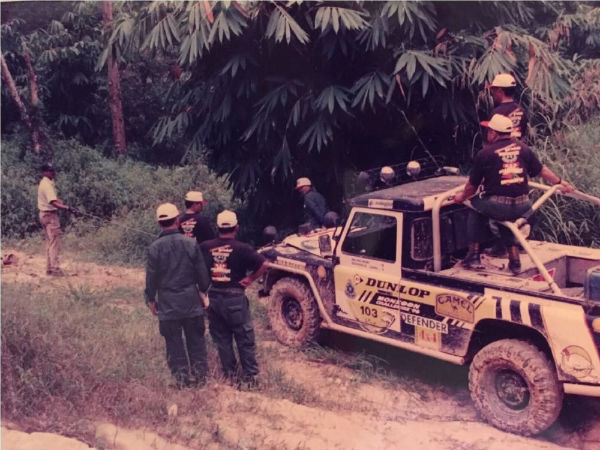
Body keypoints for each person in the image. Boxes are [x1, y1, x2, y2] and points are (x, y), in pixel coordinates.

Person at [454, 114, 574, 275]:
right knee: (506, 218)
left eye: (489, 130)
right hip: (524, 207)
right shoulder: (523, 149)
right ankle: (515, 261)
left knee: (475, 207)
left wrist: (460, 197)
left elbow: (471, 187)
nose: (487, 133)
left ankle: (474, 256)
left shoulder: (485, 154)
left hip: (499, 205)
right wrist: (560, 182)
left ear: (493, 133)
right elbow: (541, 170)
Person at [144, 202, 211, 388]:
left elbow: (151, 280)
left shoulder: (154, 248)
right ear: (177, 220)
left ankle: (181, 380)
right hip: (191, 301)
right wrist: (203, 293)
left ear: (159, 223)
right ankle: (200, 380)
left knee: (173, 343)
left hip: (167, 303)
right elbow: (203, 276)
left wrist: (151, 300)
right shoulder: (191, 243)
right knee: (196, 342)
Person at [200, 210, 269, 387]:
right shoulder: (242, 248)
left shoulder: (205, 247)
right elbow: (264, 263)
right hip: (235, 299)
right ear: (236, 228)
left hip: (214, 298)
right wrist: (251, 279)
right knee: (244, 338)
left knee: (222, 339)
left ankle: (231, 376)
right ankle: (251, 378)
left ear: (217, 227)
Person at [37, 163, 72, 276]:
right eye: (51, 171)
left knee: (49, 243)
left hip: (44, 215)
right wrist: (66, 208)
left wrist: (63, 204)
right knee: (54, 243)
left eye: (54, 170)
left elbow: (54, 198)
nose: (53, 173)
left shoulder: (46, 183)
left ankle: (49, 269)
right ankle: (55, 270)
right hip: (50, 216)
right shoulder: (47, 184)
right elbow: (52, 202)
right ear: (45, 172)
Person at [487, 73, 528, 141]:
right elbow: (524, 136)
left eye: (493, 90)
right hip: (519, 149)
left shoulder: (495, 113)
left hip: (500, 150)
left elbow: (490, 140)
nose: (492, 93)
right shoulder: (522, 111)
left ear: (500, 90)